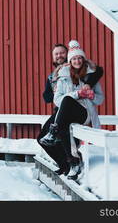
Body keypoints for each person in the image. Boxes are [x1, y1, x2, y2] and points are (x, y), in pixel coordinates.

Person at [37, 42, 103, 176]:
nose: (77, 61)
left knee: (66, 106)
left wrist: (92, 96)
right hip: (63, 112)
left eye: (79, 58)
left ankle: (72, 160)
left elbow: (100, 99)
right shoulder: (61, 76)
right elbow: (53, 99)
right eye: (74, 59)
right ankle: (67, 165)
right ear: (70, 60)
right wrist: (77, 94)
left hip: (84, 112)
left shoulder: (91, 74)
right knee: (41, 138)